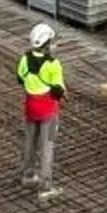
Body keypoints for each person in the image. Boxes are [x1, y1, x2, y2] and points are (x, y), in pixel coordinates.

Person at [17, 21, 66, 201]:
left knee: (30, 142)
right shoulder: (53, 64)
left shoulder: (25, 58)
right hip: (48, 112)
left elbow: (20, 78)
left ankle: (28, 176)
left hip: (30, 108)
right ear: (46, 43)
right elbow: (58, 90)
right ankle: (45, 187)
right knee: (47, 147)